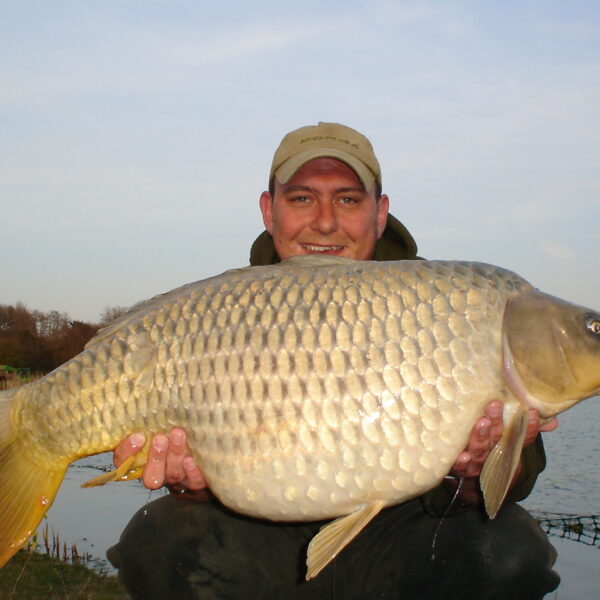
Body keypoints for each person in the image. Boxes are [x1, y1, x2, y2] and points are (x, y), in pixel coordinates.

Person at [107, 122, 560, 599]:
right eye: (302, 198)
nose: (325, 222)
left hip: (406, 530)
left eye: (347, 200)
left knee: (511, 551)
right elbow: (202, 473)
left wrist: (469, 473)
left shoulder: (448, 305)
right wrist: (192, 482)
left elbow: (508, 487)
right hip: (259, 529)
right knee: (160, 542)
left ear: (380, 213)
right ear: (269, 210)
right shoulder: (227, 311)